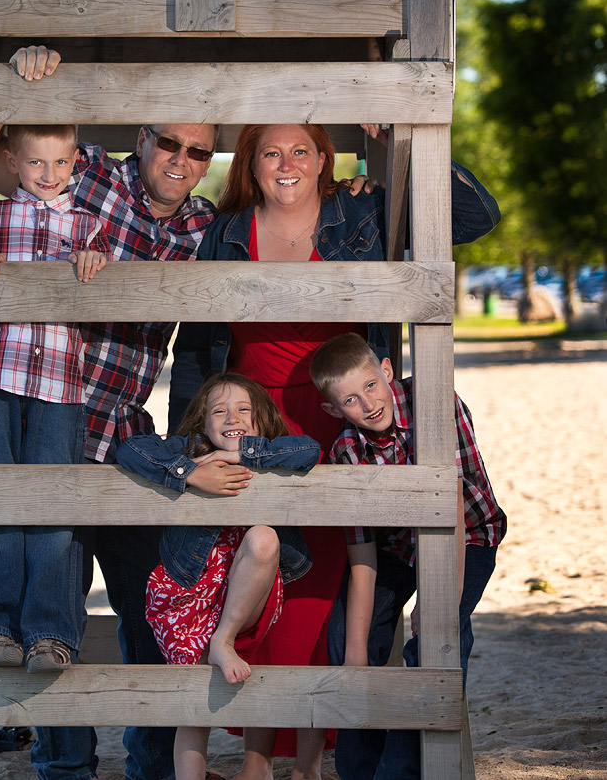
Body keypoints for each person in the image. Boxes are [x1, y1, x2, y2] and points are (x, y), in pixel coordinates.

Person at [166, 123, 501, 779]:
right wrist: (189, 451)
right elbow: (196, 348)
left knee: (326, 592)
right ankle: (260, 758)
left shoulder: (363, 211)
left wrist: (405, 141)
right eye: (270, 152)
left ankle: (307, 758)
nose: (286, 164)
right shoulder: (225, 234)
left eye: (301, 150)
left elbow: (475, 216)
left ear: (324, 158)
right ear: (250, 165)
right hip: (250, 433)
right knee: (264, 585)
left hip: (339, 427)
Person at [0, 46, 220, 780]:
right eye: (167, 141)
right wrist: (16, 70)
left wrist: (356, 177)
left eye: (197, 150)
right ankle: (65, 765)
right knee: (51, 615)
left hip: (125, 439)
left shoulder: (204, 226)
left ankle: (150, 765)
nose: (180, 158)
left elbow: (286, 213)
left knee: (150, 606)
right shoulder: (87, 176)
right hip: (45, 418)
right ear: (139, 139)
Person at [309, 332, 507, 780]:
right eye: (351, 400)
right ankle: (360, 769)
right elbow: (362, 554)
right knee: (349, 641)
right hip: (398, 546)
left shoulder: (433, 403)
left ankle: (399, 772)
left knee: (436, 640)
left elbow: (452, 507)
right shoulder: (347, 450)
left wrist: (439, 601)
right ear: (333, 410)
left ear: (387, 369)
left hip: (469, 535)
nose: (368, 404)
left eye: (371, 386)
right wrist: (356, 653)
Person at [0, 124, 110, 681]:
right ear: (12, 163)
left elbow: (104, 276)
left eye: (61, 164)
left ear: (76, 164)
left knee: (53, 506)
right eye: (36, 164)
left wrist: (94, 263)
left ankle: (50, 634)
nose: (49, 176)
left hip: (59, 386)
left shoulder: (90, 227)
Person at [114, 373, 320, 780]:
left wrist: (245, 457)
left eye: (244, 409)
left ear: (261, 421)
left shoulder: (270, 451)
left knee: (264, 537)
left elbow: (309, 450)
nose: (233, 417)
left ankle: (222, 642)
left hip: (242, 597)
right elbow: (130, 448)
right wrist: (187, 472)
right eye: (219, 410)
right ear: (203, 424)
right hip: (185, 594)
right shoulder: (189, 450)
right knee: (193, 705)